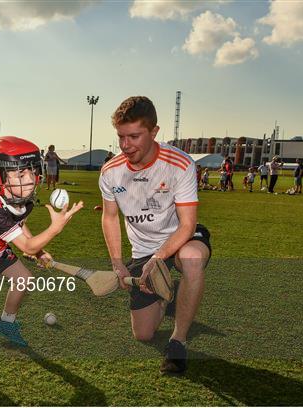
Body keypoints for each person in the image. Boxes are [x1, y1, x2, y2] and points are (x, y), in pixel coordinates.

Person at [0, 136, 83, 388]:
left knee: (24, 279)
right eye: (20, 175)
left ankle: (6, 323)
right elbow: (26, 245)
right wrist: (52, 232)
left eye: (32, 173)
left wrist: (39, 251)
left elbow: (21, 226)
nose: (30, 180)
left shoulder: (23, 199)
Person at [99, 96, 211, 375]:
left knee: (192, 259)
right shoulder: (111, 172)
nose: (125, 145)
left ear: (154, 132)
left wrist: (160, 258)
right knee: (144, 334)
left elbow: (187, 225)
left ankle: (178, 342)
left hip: (181, 238)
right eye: (121, 137)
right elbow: (110, 216)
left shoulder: (179, 163)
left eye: (134, 136)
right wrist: (117, 262)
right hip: (142, 249)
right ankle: (167, 296)